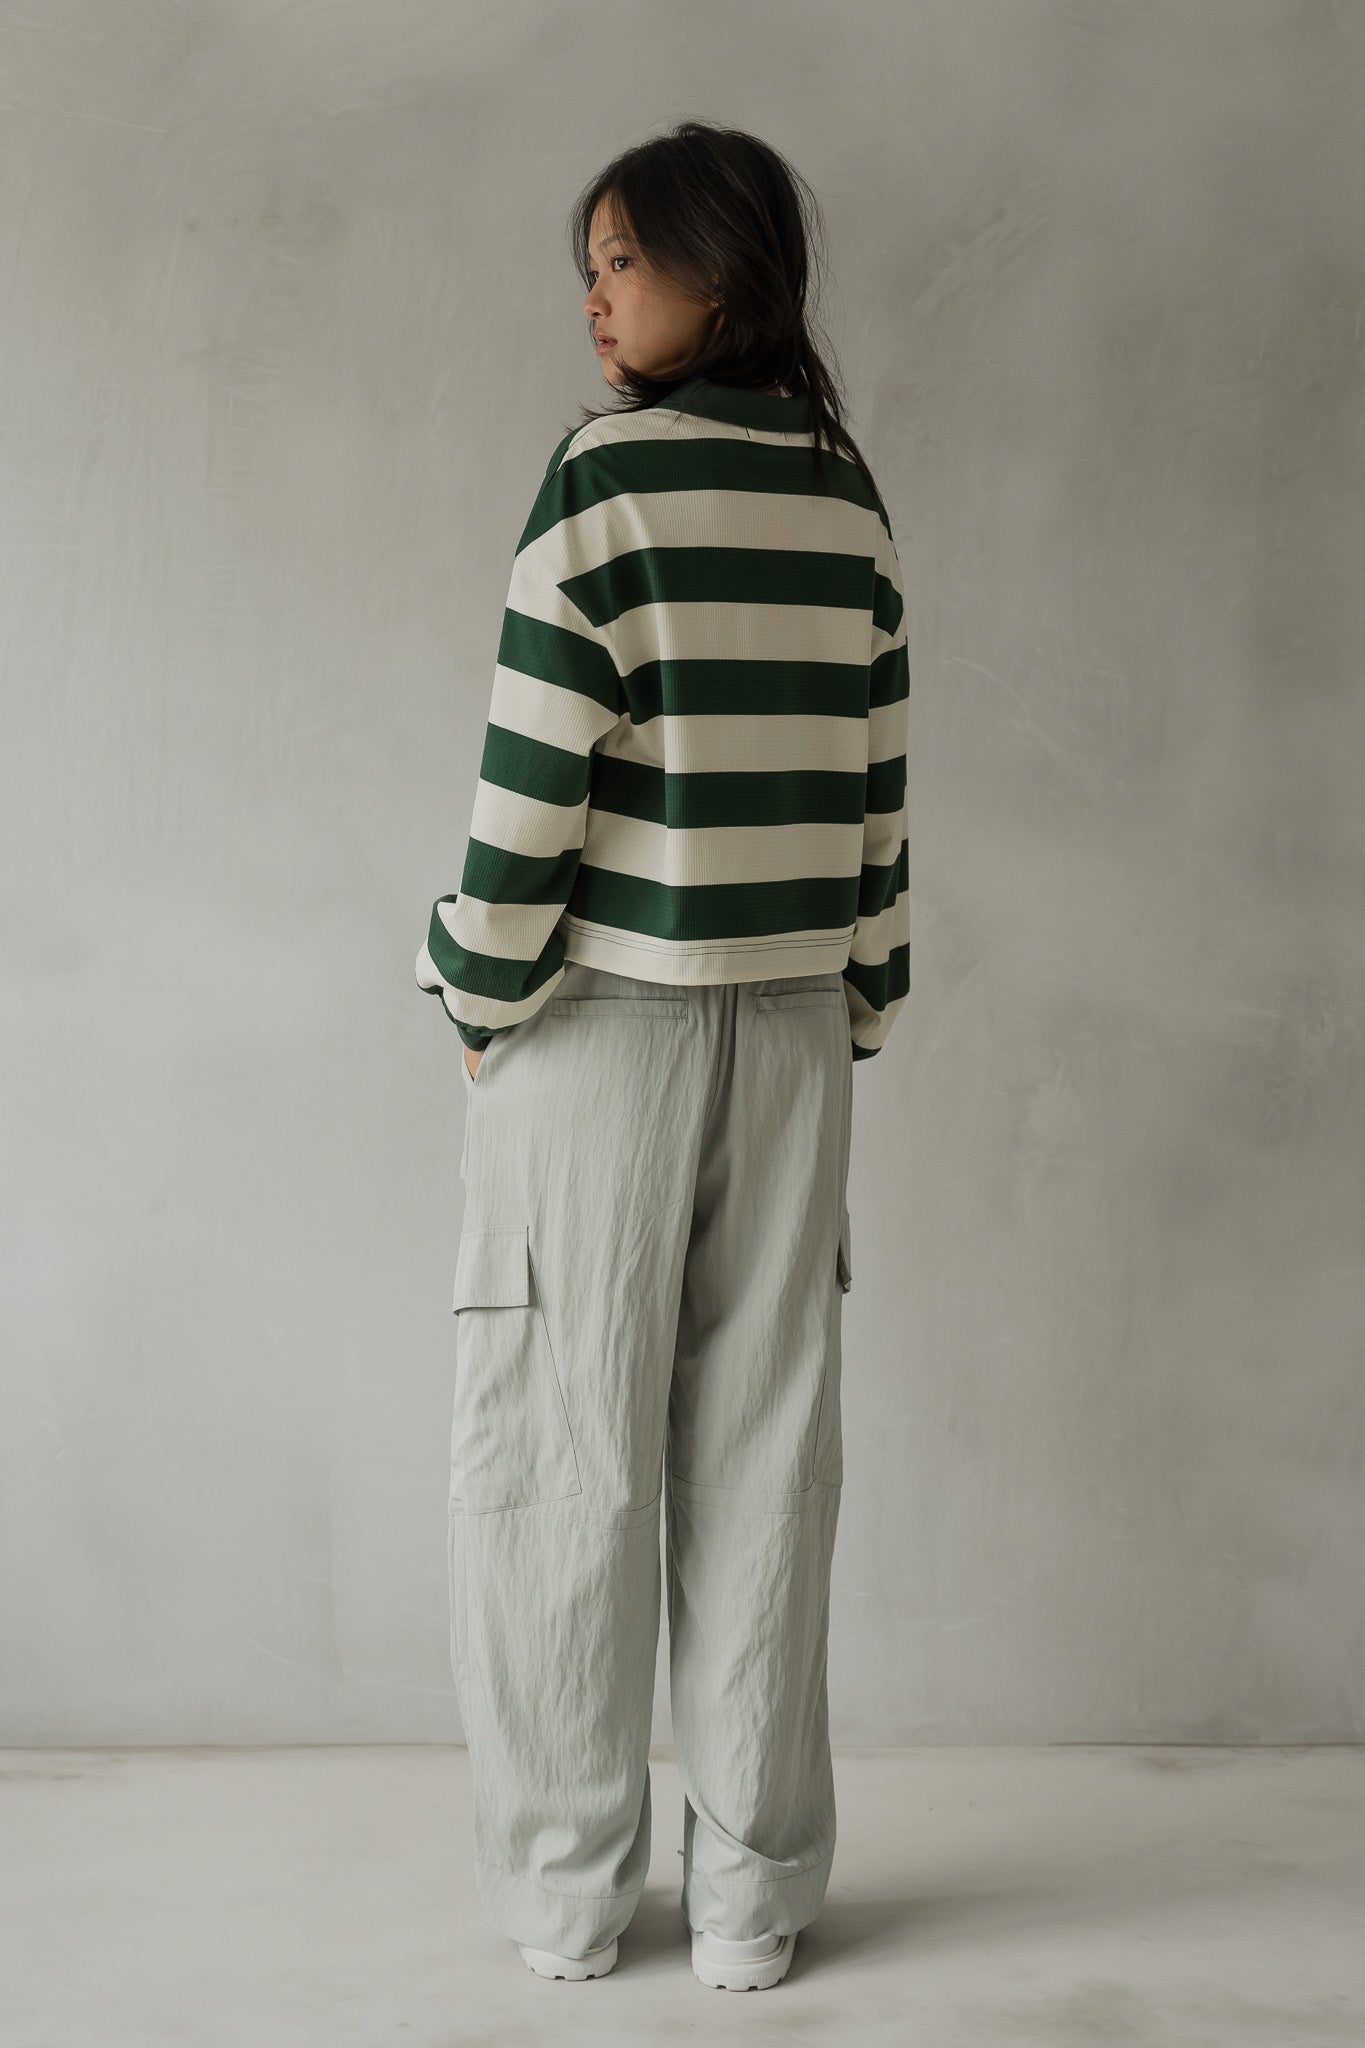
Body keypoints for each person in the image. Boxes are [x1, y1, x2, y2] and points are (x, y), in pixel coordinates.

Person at [414, 118, 909, 1992]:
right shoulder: (845, 499)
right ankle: (750, 1903)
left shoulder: (601, 480)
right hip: (789, 1037)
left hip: (598, 1031)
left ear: (725, 268)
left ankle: (565, 1895)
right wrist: (859, 1000)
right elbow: (877, 793)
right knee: (767, 1457)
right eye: (590, 268)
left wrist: (472, 988)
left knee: (564, 1452)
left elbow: (528, 782)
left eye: (622, 260)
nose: (595, 299)